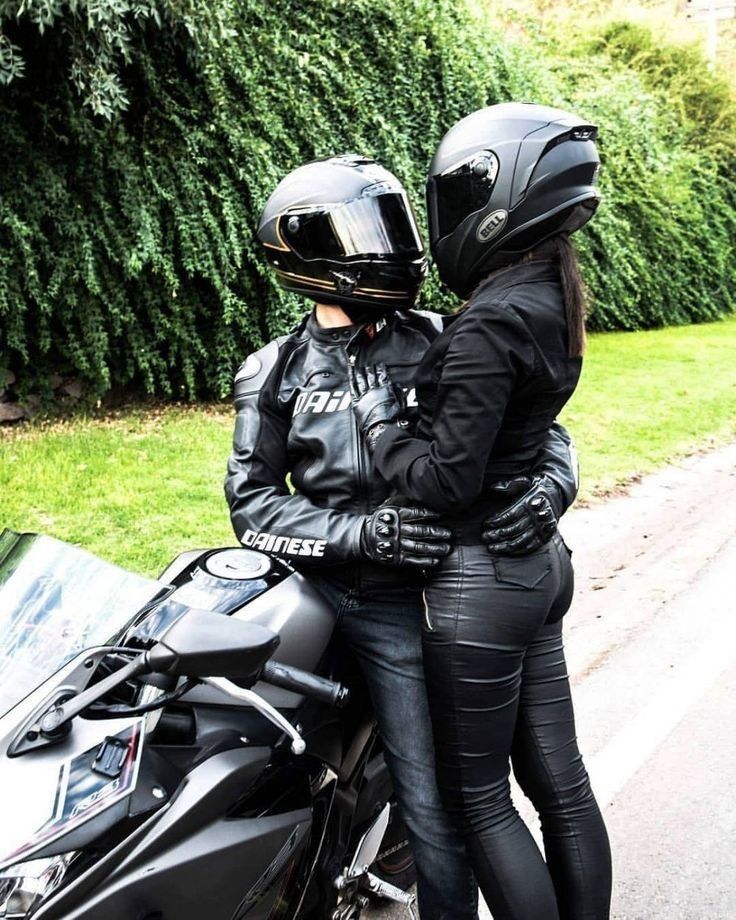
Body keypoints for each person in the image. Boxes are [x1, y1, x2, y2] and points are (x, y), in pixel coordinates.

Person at [224, 153, 580, 920]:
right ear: (312, 251)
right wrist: (364, 533)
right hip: (340, 595)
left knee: (441, 807)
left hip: (436, 596)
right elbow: (252, 508)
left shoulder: (439, 337)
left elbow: (537, 428)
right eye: (364, 231)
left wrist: (555, 488)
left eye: (391, 226)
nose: (388, 248)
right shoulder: (272, 371)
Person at [350, 105, 613, 920]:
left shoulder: (490, 321)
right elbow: (528, 434)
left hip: (479, 585)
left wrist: (383, 427)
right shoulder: (551, 295)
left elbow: (444, 482)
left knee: (483, 802)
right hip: (537, 567)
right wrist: (548, 486)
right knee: (562, 785)